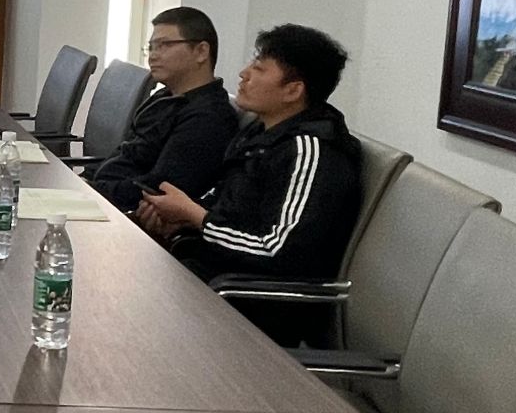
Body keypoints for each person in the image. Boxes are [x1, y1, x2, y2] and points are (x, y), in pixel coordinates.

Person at [140, 22, 362, 304]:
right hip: (214, 272)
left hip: (258, 300)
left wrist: (196, 217)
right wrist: (180, 221)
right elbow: (227, 206)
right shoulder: (260, 134)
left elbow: (276, 250)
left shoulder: (310, 151)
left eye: (259, 69)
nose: (244, 74)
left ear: (293, 91)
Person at [87, 6, 241, 213]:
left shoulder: (208, 118)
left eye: (164, 45)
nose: (153, 56)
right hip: (103, 197)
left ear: (201, 52)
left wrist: (91, 190)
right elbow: (126, 153)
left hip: (120, 214)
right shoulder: (164, 96)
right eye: (151, 47)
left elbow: (157, 188)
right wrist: (85, 180)